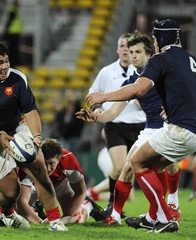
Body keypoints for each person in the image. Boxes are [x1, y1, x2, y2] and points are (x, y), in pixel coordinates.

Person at [85, 19, 196, 233]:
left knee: (138, 162)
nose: (133, 55)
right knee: (152, 166)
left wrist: (102, 96)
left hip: (179, 128)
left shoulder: (160, 59)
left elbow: (139, 89)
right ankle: (150, 215)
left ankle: (164, 215)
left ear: (157, 40)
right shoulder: (193, 61)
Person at [0, 39, 67, 231]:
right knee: (11, 192)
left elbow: (30, 109)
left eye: (6, 61)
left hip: (17, 129)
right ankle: (7, 212)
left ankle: (54, 221)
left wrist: (36, 136)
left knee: (39, 168)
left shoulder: (18, 78)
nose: (5, 66)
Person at [78, 30, 181, 225]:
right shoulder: (131, 82)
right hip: (149, 129)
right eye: (131, 52)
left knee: (167, 165)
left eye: (138, 52)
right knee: (126, 169)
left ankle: (172, 203)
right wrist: (95, 118)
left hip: (168, 128)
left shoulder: (165, 72)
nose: (133, 56)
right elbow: (111, 113)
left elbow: (185, 93)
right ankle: (115, 216)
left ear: (149, 54)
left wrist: (173, 109)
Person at [88, 33, 146, 214]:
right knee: (120, 167)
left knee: (133, 170)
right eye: (122, 46)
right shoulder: (106, 72)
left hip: (141, 126)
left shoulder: (144, 72)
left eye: (128, 47)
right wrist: (97, 109)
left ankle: (160, 209)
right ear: (117, 49)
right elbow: (93, 94)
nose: (125, 50)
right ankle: (112, 206)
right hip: (115, 125)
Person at [16, 138, 105, 224]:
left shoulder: (68, 159)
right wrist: (40, 222)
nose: (47, 169)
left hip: (59, 186)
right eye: (44, 163)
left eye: (51, 163)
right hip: (35, 186)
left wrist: (66, 217)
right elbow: (21, 201)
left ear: (59, 159)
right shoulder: (30, 161)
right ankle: (37, 209)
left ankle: (87, 206)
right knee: (17, 211)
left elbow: (80, 191)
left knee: (75, 219)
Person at [3, 0, 23, 66]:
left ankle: (14, 62)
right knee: (13, 49)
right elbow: (10, 21)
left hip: (14, 32)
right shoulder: (13, 9)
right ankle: (13, 62)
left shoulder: (14, 9)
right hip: (12, 32)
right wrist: (6, 31)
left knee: (13, 49)